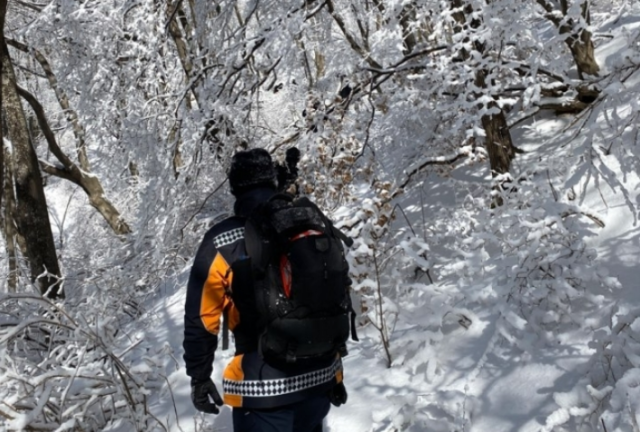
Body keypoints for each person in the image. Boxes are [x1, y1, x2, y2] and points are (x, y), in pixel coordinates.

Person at [183, 148, 348, 432]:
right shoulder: (308, 225)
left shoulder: (223, 240)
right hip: (320, 378)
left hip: (262, 391)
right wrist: (335, 376)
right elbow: (331, 297)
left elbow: (201, 319)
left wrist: (199, 377)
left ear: (235, 187)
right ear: (272, 182)